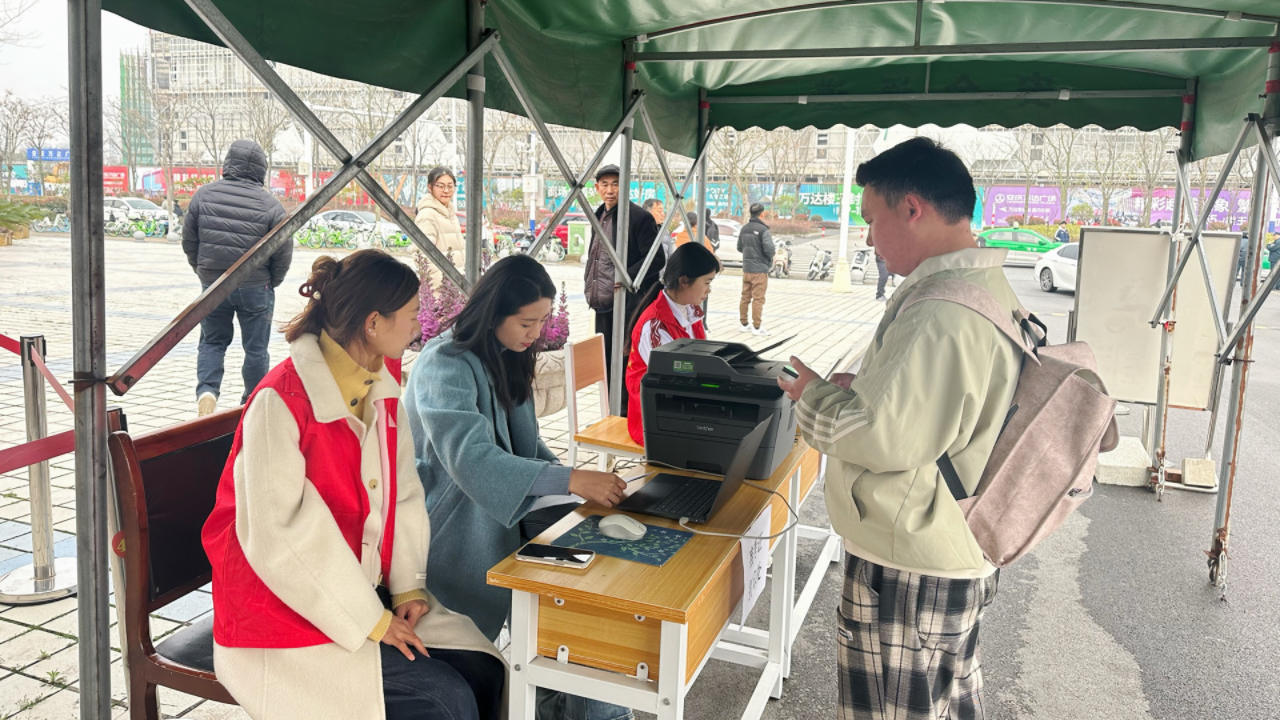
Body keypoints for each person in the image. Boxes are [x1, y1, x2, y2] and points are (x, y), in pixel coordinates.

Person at [202, 250, 505, 720]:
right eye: (410, 315)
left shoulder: (379, 388)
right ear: (373, 323)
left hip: (352, 587)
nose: (417, 326)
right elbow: (279, 535)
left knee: (484, 670)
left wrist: (408, 587)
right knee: (443, 699)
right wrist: (371, 620)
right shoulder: (280, 401)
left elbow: (404, 491)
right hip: (280, 610)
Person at [778, 138, 1018, 720]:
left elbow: (882, 437)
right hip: (950, 543)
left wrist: (810, 394)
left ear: (911, 208)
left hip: (909, 566)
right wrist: (869, 386)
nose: (868, 239)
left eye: (870, 219)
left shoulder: (940, 311)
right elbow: (937, 410)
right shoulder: (983, 289)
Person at [406, 253, 633, 720]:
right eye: (527, 322)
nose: (536, 333)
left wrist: (574, 486)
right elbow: (472, 460)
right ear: (493, 313)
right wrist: (570, 479)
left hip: (493, 512)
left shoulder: (506, 355)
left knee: (582, 585)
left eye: (543, 321)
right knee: (566, 587)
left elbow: (527, 446)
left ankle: (568, 702)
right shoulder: (443, 363)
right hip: (448, 525)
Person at [183, 139, 292, 418]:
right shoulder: (271, 205)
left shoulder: (203, 196)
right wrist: (271, 281)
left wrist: (204, 272)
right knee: (256, 349)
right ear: (261, 169)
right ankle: (251, 404)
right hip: (256, 288)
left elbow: (190, 241)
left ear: (228, 163)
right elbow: (283, 252)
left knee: (212, 342)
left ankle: (207, 393)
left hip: (213, 287)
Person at [583, 165, 663, 414]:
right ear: (597, 188)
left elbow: (656, 258)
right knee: (606, 362)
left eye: (616, 184)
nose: (610, 190)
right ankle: (610, 412)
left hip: (627, 304)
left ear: (626, 186)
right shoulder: (598, 214)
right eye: (605, 184)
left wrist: (626, 278)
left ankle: (626, 414)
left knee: (624, 361)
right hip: (603, 302)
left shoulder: (639, 217)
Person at [625, 242, 720, 445]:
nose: (709, 290)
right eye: (707, 282)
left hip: (680, 404)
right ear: (684, 281)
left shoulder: (689, 311)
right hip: (654, 416)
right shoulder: (656, 326)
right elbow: (671, 380)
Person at [414, 166, 465, 267]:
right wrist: (442, 277)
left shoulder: (450, 214)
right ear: (430, 187)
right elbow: (421, 256)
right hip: (443, 277)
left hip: (458, 275)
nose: (446, 190)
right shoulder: (427, 215)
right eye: (441, 186)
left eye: (450, 186)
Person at [737, 203, 775, 335]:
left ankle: (744, 324)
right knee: (758, 299)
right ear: (762, 214)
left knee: (745, 297)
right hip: (760, 270)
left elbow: (739, 247)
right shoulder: (764, 230)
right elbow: (770, 250)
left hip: (747, 269)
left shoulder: (744, 228)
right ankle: (757, 327)